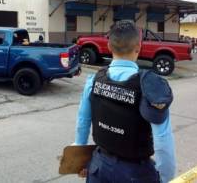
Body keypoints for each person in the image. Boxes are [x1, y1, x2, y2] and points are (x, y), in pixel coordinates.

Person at [74, 20, 176, 183]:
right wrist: (165, 177)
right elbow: (163, 140)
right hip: (136, 173)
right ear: (139, 47)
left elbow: (83, 121)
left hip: (99, 167)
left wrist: (78, 158)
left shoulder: (94, 80)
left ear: (109, 47)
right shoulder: (150, 87)